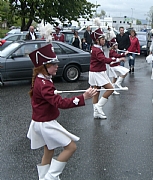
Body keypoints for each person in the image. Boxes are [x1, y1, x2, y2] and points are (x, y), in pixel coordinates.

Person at [26, 44, 97, 180]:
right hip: (45, 123)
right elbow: (60, 103)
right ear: (44, 67)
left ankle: (43, 177)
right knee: (71, 147)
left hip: (39, 122)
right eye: (53, 64)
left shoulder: (42, 80)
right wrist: (83, 97)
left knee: (49, 149)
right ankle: (51, 177)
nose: (57, 65)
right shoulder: (44, 84)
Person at [89, 28, 124, 119]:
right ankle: (98, 107)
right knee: (111, 89)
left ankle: (96, 113)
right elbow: (104, 60)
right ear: (97, 40)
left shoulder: (96, 48)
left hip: (97, 72)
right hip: (97, 73)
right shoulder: (97, 50)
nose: (104, 41)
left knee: (96, 92)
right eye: (102, 39)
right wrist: (117, 59)